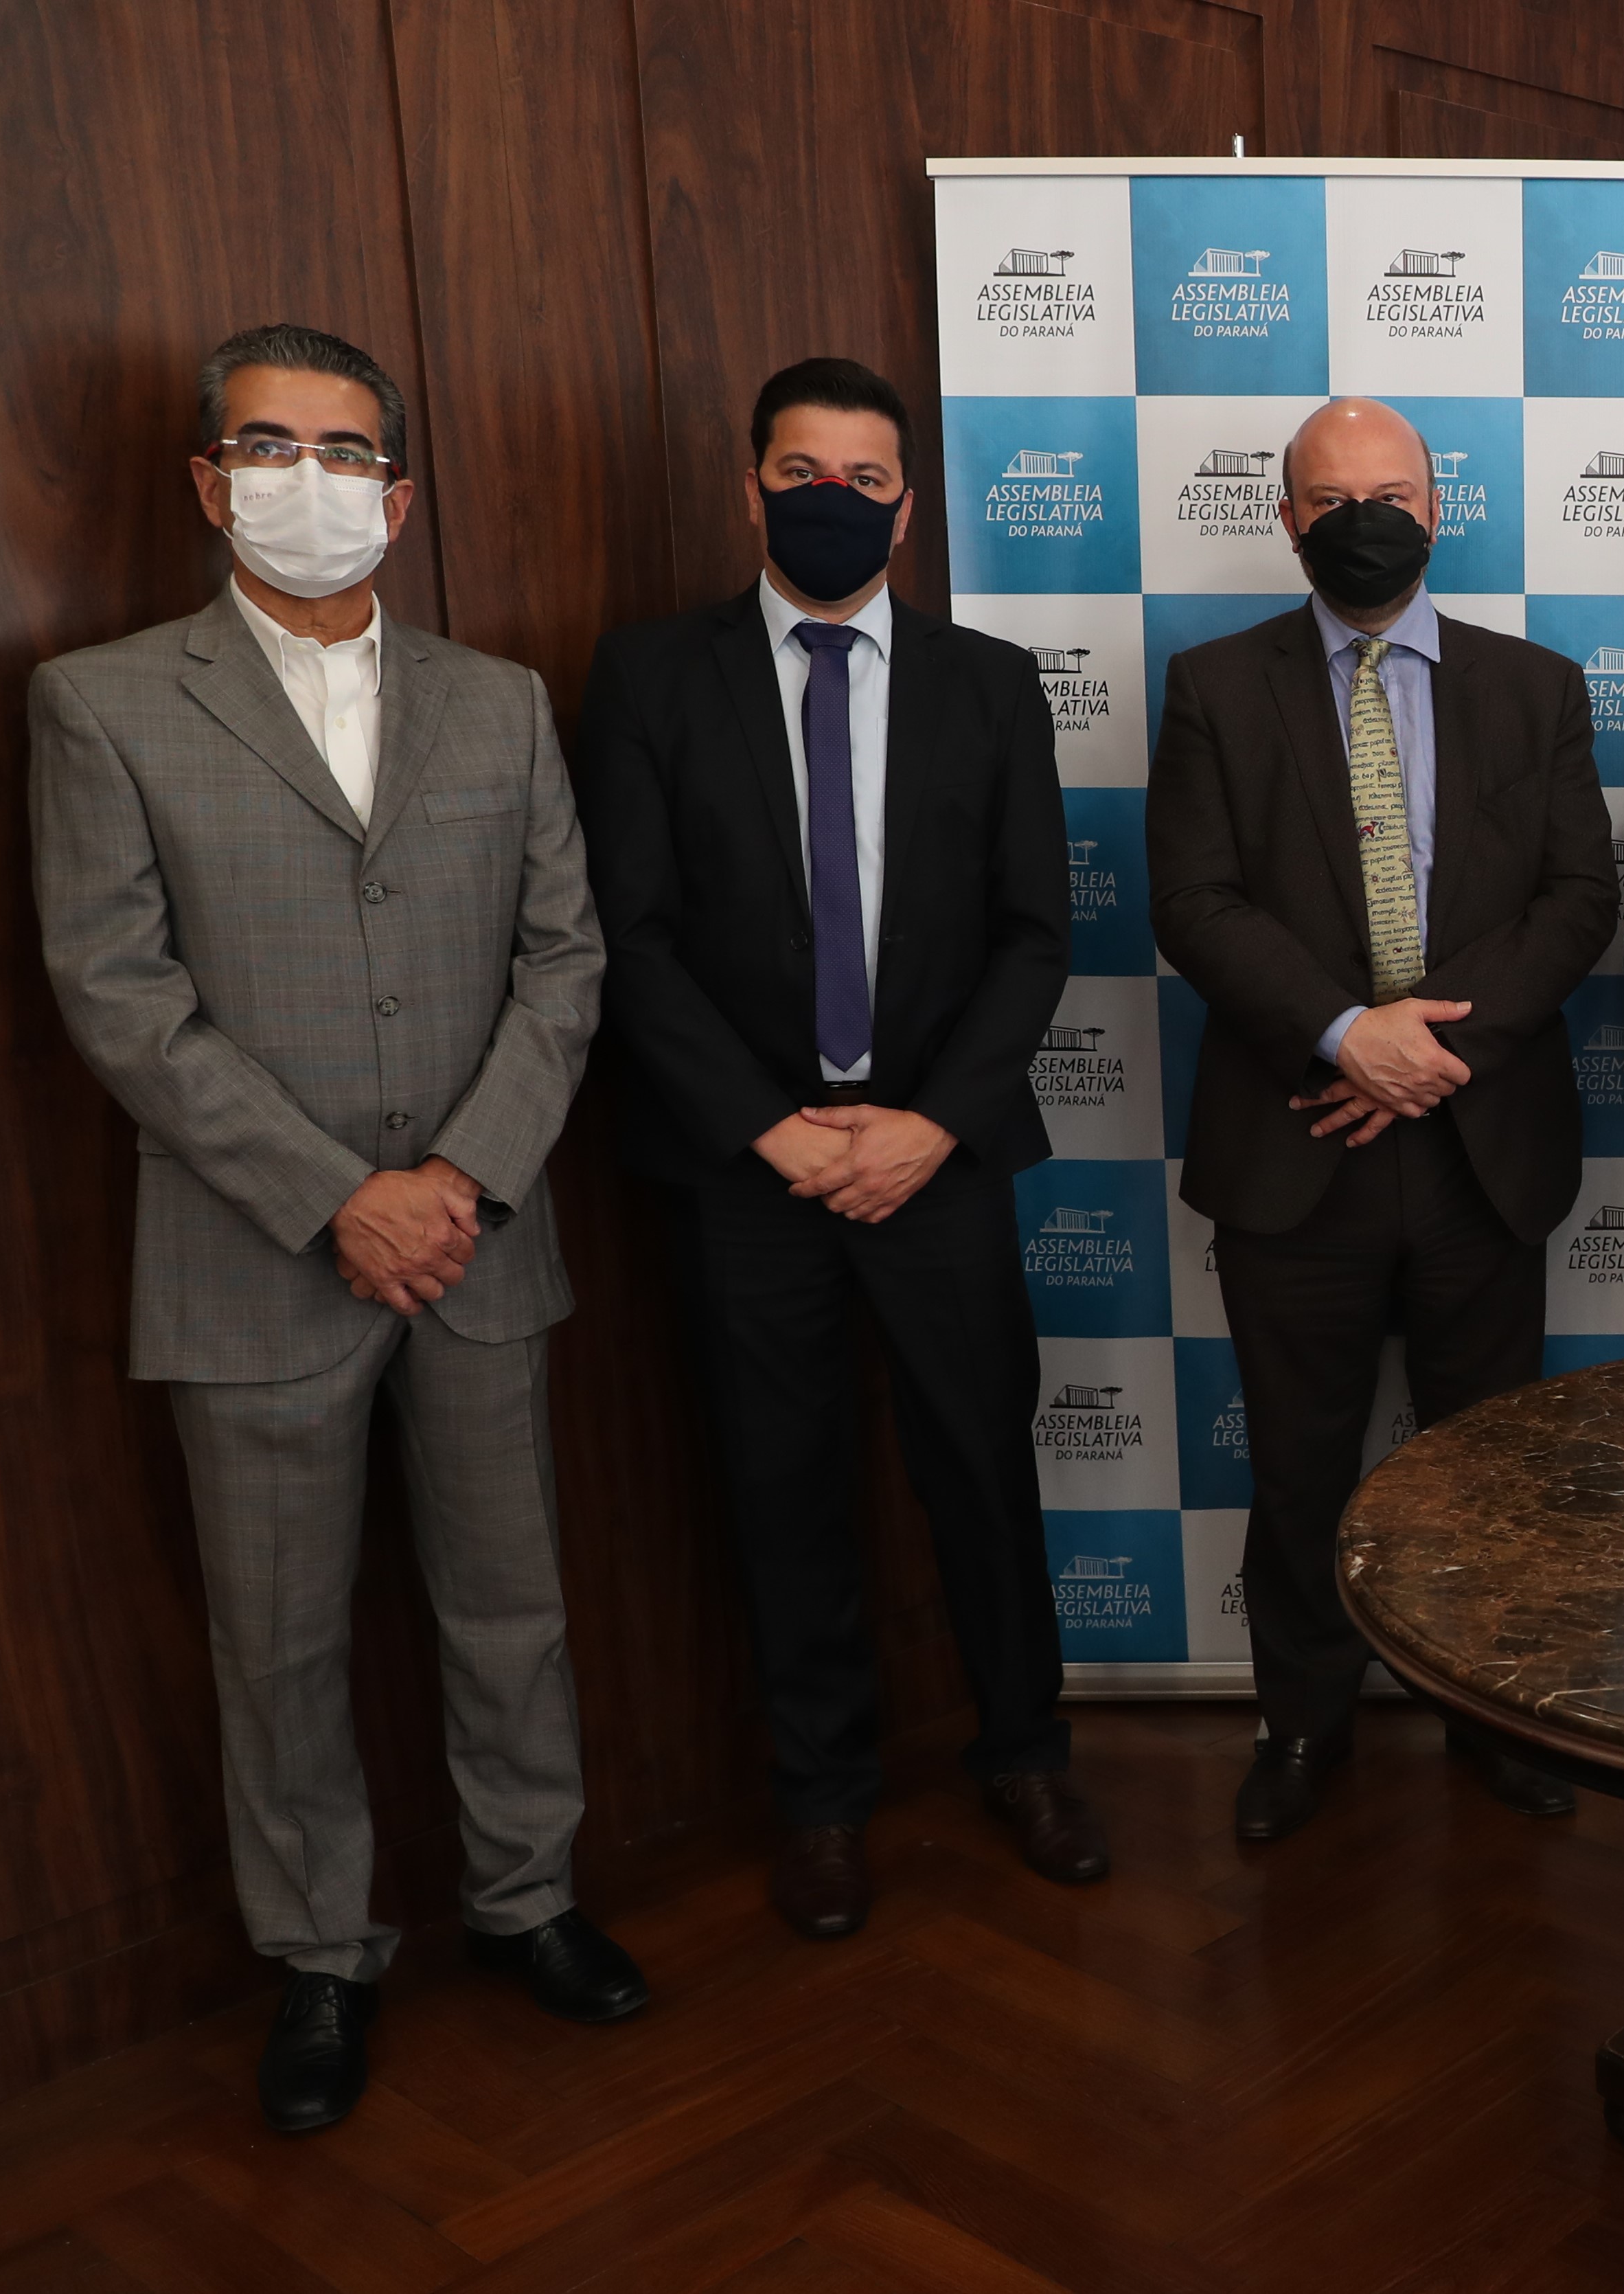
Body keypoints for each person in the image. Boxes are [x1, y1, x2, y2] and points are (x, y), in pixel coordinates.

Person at [29, 323, 634, 2135]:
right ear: (211, 483)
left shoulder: (500, 699)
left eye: (349, 450)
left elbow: (566, 961)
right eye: (272, 446)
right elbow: (118, 993)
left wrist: (459, 1180)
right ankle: (320, 1955)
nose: (314, 479)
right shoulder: (102, 702)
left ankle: (529, 1897)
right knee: (279, 1641)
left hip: (477, 1242)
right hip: (254, 1261)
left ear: (401, 493)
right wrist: (335, 1198)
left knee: (511, 1609)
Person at [575, 357, 1103, 1940]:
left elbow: (1034, 930)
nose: (833, 500)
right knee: (779, 1484)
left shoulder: (989, 681)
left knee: (982, 1473)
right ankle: (820, 1797)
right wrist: (769, 1130)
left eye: (865, 480)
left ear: (907, 507)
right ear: (751, 489)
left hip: (937, 1157)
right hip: (748, 1171)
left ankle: (1027, 1753)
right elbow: (628, 935)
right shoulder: (649, 676)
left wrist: (930, 1123)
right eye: (801, 472)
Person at [1149, 397, 1615, 1841]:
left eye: (1394, 495)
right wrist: (1350, 1034)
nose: (1367, 520)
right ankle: (1302, 1723)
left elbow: (1578, 900)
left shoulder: (1534, 687)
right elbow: (1193, 901)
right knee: (1300, 1465)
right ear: (1288, 519)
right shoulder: (1214, 686)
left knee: (1489, 1467)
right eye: (1334, 498)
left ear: (1437, 509)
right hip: (1295, 1138)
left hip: (1484, 1144)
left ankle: (1493, 1716)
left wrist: (1428, 1048)